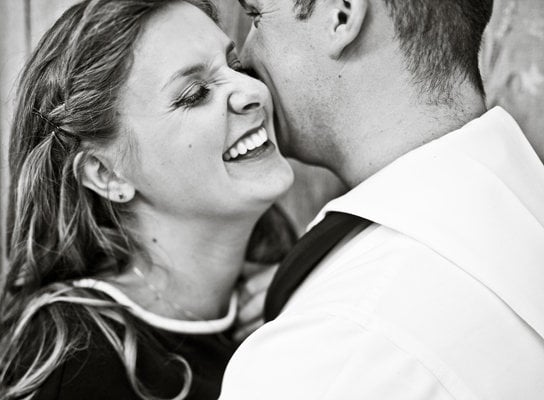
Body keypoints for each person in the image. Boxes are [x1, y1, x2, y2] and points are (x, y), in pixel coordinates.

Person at [220, 0, 544, 399]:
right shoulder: (524, 213)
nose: (243, 59)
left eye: (256, 17)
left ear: (341, 14)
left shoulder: (329, 350)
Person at [0, 1, 296, 399]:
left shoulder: (288, 299)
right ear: (107, 174)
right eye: (195, 94)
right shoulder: (79, 363)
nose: (253, 91)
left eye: (235, 66)